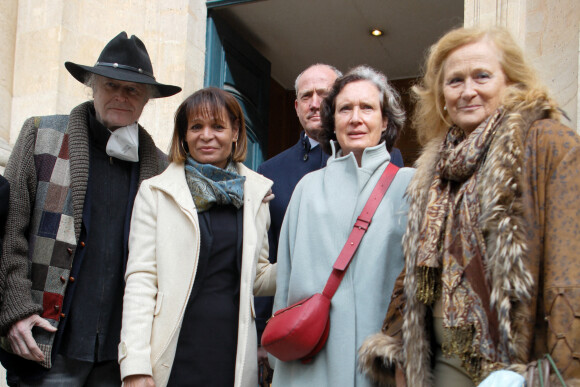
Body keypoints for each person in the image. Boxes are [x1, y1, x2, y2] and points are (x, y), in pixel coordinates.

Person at [359, 26, 580, 386]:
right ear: (441, 96)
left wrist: (557, 373)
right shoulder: (435, 165)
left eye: (482, 76)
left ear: (511, 82)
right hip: (440, 365)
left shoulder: (549, 144)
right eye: (455, 81)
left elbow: (571, 277)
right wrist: (398, 348)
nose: (468, 91)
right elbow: (416, 271)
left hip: (515, 371)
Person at [0, 32, 181, 386]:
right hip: (48, 342)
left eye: (132, 90)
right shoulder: (41, 135)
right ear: (92, 86)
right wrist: (16, 310)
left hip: (119, 354)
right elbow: (9, 232)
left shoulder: (160, 167)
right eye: (111, 84)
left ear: (146, 100)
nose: (120, 96)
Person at [119, 87, 277, 387]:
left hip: (232, 349)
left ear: (235, 132)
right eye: (196, 127)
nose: (206, 135)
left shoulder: (257, 195)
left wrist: (309, 262)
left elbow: (258, 276)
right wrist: (135, 365)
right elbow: (140, 281)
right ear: (183, 135)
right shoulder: (156, 192)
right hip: (173, 349)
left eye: (218, 126)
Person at [255, 63, 405, 376]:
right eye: (344, 109)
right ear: (331, 121)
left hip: (381, 364)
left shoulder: (409, 185)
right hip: (309, 362)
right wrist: (277, 357)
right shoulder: (307, 189)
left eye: (367, 107)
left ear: (385, 120)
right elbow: (285, 285)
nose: (355, 118)